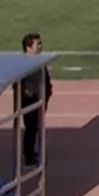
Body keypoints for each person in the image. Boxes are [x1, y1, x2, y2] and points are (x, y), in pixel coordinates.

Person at [18, 33, 51, 170]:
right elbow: (18, 84)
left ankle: (31, 153)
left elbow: (46, 80)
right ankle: (28, 158)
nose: (41, 46)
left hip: (40, 99)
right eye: (38, 44)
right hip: (29, 101)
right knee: (31, 128)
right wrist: (26, 93)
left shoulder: (40, 62)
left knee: (34, 127)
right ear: (29, 47)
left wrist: (48, 94)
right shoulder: (22, 64)